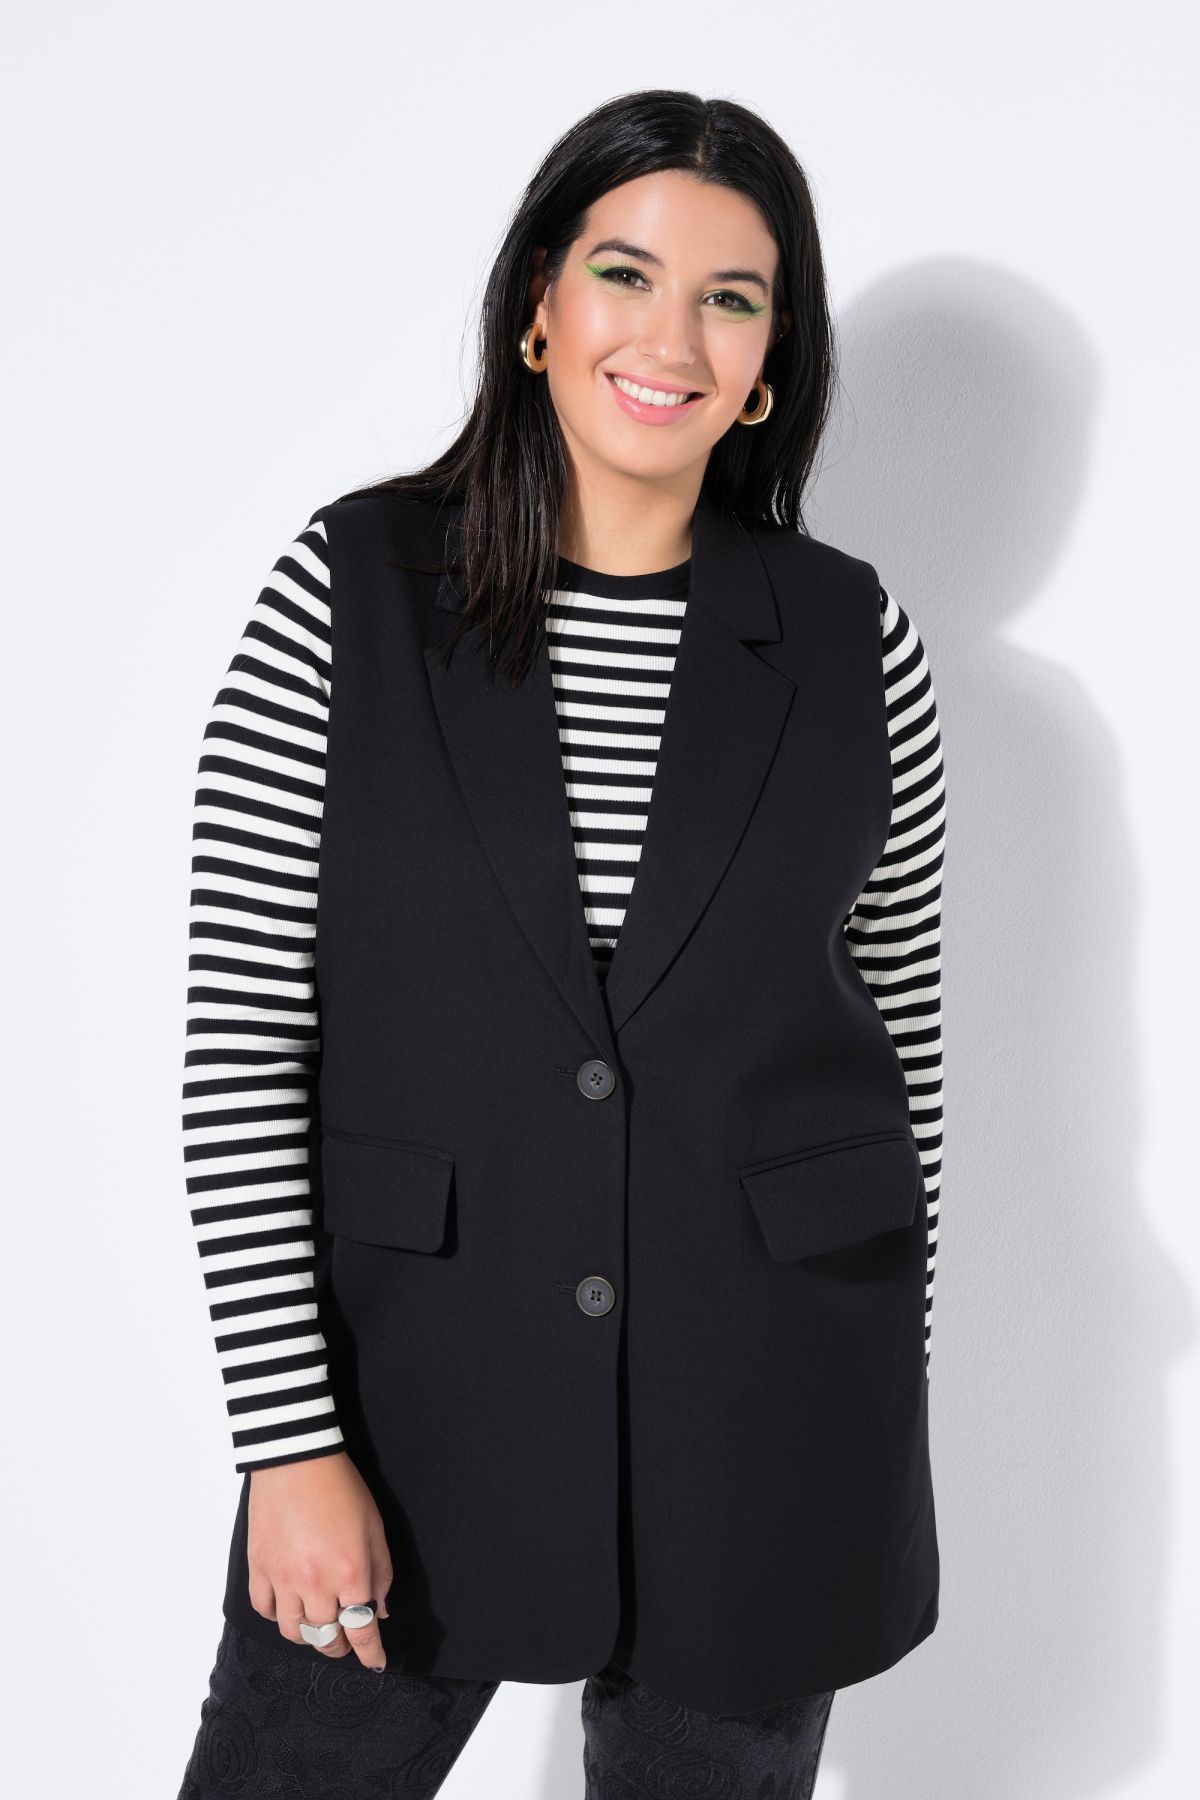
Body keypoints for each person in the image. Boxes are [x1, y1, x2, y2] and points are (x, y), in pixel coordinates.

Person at [177, 88, 945, 1799]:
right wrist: (288, 1446)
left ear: (771, 360)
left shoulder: (852, 637)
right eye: (625, 273)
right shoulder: (348, 591)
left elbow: (898, 1048)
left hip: (768, 1413)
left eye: (732, 298)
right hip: (413, 1396)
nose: (671, 338)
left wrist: (875, 1413)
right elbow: (242, 1049)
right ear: (539, 303)